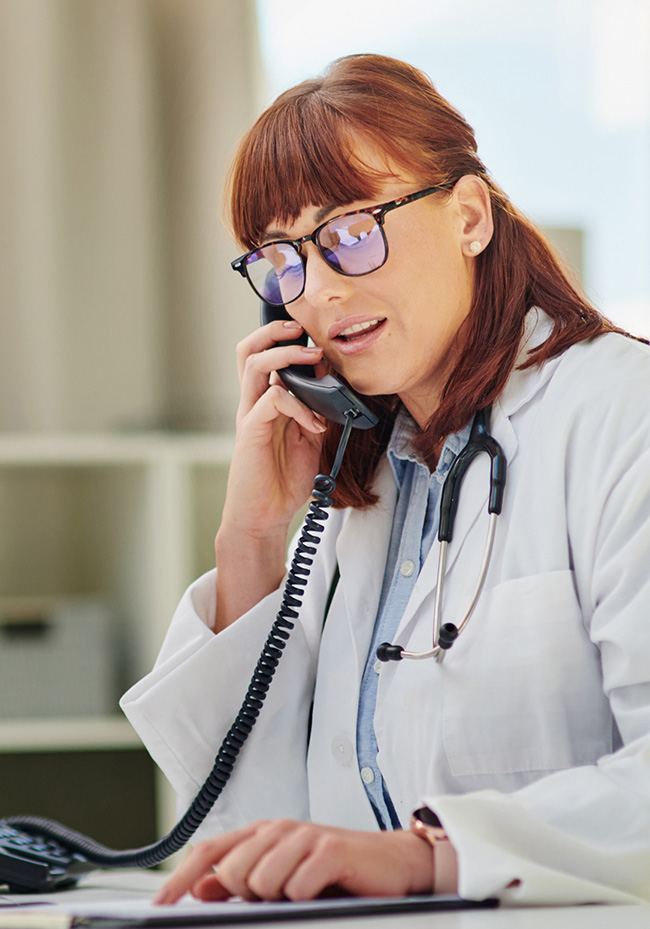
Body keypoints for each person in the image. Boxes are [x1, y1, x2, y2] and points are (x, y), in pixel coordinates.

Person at [120, 54, 650, 906]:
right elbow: (244, 826)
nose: (319, 291)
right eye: (282, 260)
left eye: (350, 234)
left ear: (469, 216)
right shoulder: (363, 467)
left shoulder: (624, 414)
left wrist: (425, 857)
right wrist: (252, 534)